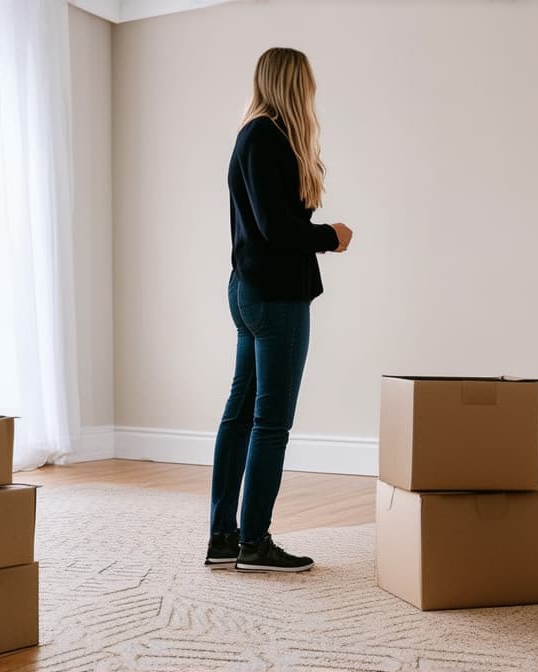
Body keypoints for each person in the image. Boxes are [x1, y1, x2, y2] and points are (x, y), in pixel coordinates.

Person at [206, 47, 353, 573]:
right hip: (275, 297)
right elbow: (276, 228)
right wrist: (329, 237)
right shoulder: (268, 135)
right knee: (271, 422)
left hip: (248, 291)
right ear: (295, 84)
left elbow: (262, 225)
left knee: (241, 414)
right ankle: (254, 542)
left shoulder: (251, 134)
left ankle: (224, 538)